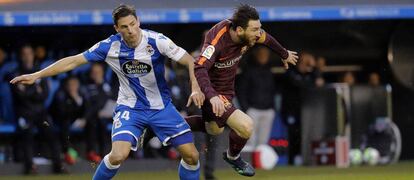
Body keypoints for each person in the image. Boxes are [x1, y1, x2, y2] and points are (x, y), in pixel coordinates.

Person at [10, 4, 204, 180]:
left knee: (192, 155)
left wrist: (195, 86)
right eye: (125, 27)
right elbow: (74, 61)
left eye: (133, 24)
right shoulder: (109, 46)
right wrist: (37, 75)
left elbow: (188, 60)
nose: (131, 30)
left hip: (161, 107)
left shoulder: (156, 40)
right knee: (118, 155)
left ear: (139, 22)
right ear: (117, 29)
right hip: (131, 108)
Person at [184, 4, 298, 177]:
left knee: (214, 129)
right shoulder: (216, 40)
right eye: (255, 30)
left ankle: (169, 125)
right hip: (211, 90)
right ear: (239, 30)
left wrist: (283, 54)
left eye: (259, 28)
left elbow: (267, 38)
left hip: (226, 91)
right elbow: (199, 67)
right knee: (246, 126)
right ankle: (233, 156)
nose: (258, 33)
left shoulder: (248, 33)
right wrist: (212, 96)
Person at [10, 45, 65, 174]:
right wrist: (35, 90)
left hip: (40, 112)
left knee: (51, 133)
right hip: (24, 112)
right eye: (25, 54)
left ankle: (58, 165)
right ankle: (30, 167)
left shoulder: (39, 72)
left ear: (33, 55)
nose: (27, 56)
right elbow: (20, 96)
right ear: (21, 56)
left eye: (29, 53)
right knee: (27, 134)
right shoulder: (16, 74)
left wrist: (29, 90)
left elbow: (44, 94)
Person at [238, 45, 277, 152]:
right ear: (256, 55)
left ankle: (260, 164)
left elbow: (273, 90)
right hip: (253, 109)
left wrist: (273, 107)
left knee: (263, 142)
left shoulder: (270, 70)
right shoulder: (248, 70)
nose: (264, 57)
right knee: (250, 140)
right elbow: (241, 91)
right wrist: (246, 108)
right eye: (261, 54)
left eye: (266, 55)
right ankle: (250, 163)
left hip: (268, 109)